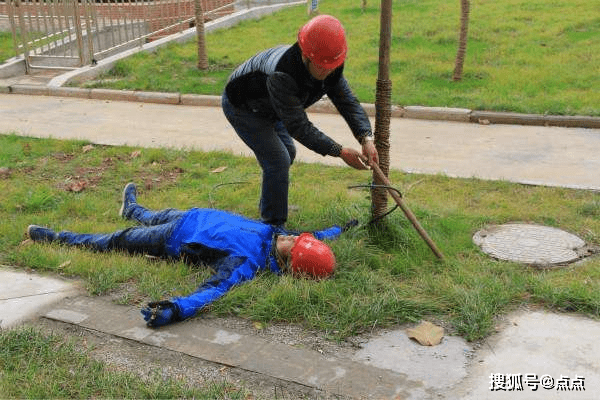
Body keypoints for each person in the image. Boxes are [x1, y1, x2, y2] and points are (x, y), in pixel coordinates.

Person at [26, 183, 356, 327]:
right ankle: (133, 208)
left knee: (116, 240)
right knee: (151, 214)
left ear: (288, 262)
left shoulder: (247, 264)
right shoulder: (276, 236)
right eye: (297, 237)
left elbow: (214, 289)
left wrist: (178, 308)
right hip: (188, 216)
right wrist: (339, 230)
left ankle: (58, 238)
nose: (293, 236)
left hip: (171, 239)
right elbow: (313, 236)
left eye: (294, 244)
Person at [222, 14, 378, 227]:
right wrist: (339, 151)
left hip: (272, 107)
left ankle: (273, 201)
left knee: (288, 154)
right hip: (244, 106)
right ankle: (273, 226)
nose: (326, 70)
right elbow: (299, 126)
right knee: (278, 161)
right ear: (305, 56)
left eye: (331, 65)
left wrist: (366, 138)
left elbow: (347, 102)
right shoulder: (283, 75)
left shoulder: (331, 64)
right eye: (321, 65)